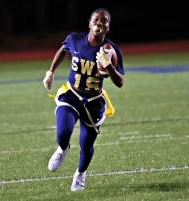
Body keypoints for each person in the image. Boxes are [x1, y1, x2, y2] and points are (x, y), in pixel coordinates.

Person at [43, 8, 124, 191]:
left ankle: (80, 174)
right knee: (63, 132)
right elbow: (63, 50)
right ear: (90, 23)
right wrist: (51, 72)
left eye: (104, 21)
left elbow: (119, 82)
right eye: (97, 19)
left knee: (86, 145)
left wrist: (108, 66)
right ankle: (62, 149)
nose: (100, 23)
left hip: (94, 100)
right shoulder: (75, 39)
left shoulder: (111, 50)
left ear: (108, 27)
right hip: (72, 95)